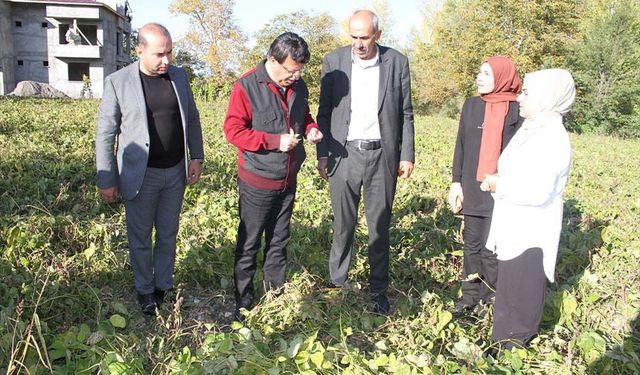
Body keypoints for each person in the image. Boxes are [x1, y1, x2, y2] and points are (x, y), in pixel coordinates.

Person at [95, 23, 204, 316]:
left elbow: (192, 118)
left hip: (175, 173)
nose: (166, 60)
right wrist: (106, 177)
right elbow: (106, 134)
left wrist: (196, 157)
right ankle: (145, 290)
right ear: (139, 50)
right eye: (159, 54)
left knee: (168, 233)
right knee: (141, 237)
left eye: (169, 52)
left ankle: (163, 285)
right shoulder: (118, 82)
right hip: (140, 175)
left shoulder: (179, 76)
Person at [316, 10, 414, 314]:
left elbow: (406, 112)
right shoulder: (334, 62)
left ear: (378, 36)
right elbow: (324, 110)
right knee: (343, 224)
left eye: (365, 37)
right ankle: (337, 283)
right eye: (353, 37)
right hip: (343, 154)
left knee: (379, 226)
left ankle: (378, 290)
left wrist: (407, 154)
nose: (358, 44)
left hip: (382, 155)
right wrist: (323, 153)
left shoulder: (396, 62)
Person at [223, 32, 323, 321]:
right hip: (257, 181)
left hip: (287, 179)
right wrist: (273, 141)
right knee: (249, 242)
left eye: (300, 70)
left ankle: (274, 296)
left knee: (279, 240)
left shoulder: (298, 85)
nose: (296, 76)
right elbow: (233, 131)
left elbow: (303, 114)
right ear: (272, 60)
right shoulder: (246, 86)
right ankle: (243, 302)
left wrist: (310, 129)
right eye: (291, 70)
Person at [480, 69, 576, 353]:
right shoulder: (534, 128)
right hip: (516, 229)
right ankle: (501, 350)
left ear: (546, 98)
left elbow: (537, 190)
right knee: (509, 297)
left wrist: (499, 183)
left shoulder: (551, 138)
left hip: (531, 235)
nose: (519, 97)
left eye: (526, 93)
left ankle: (509, 355)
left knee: (519, 305)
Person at [448, 56, 522, 315]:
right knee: (472, 245)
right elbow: (461, 146)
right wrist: (456, 183)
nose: (479, 78)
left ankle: (489, 300)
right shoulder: (471, 105)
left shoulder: (518, 110)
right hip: (472, 186)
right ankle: (469, 297)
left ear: (503, 77)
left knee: (493, 249)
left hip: (501, 192)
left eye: (487, 74)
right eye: (479, 72)